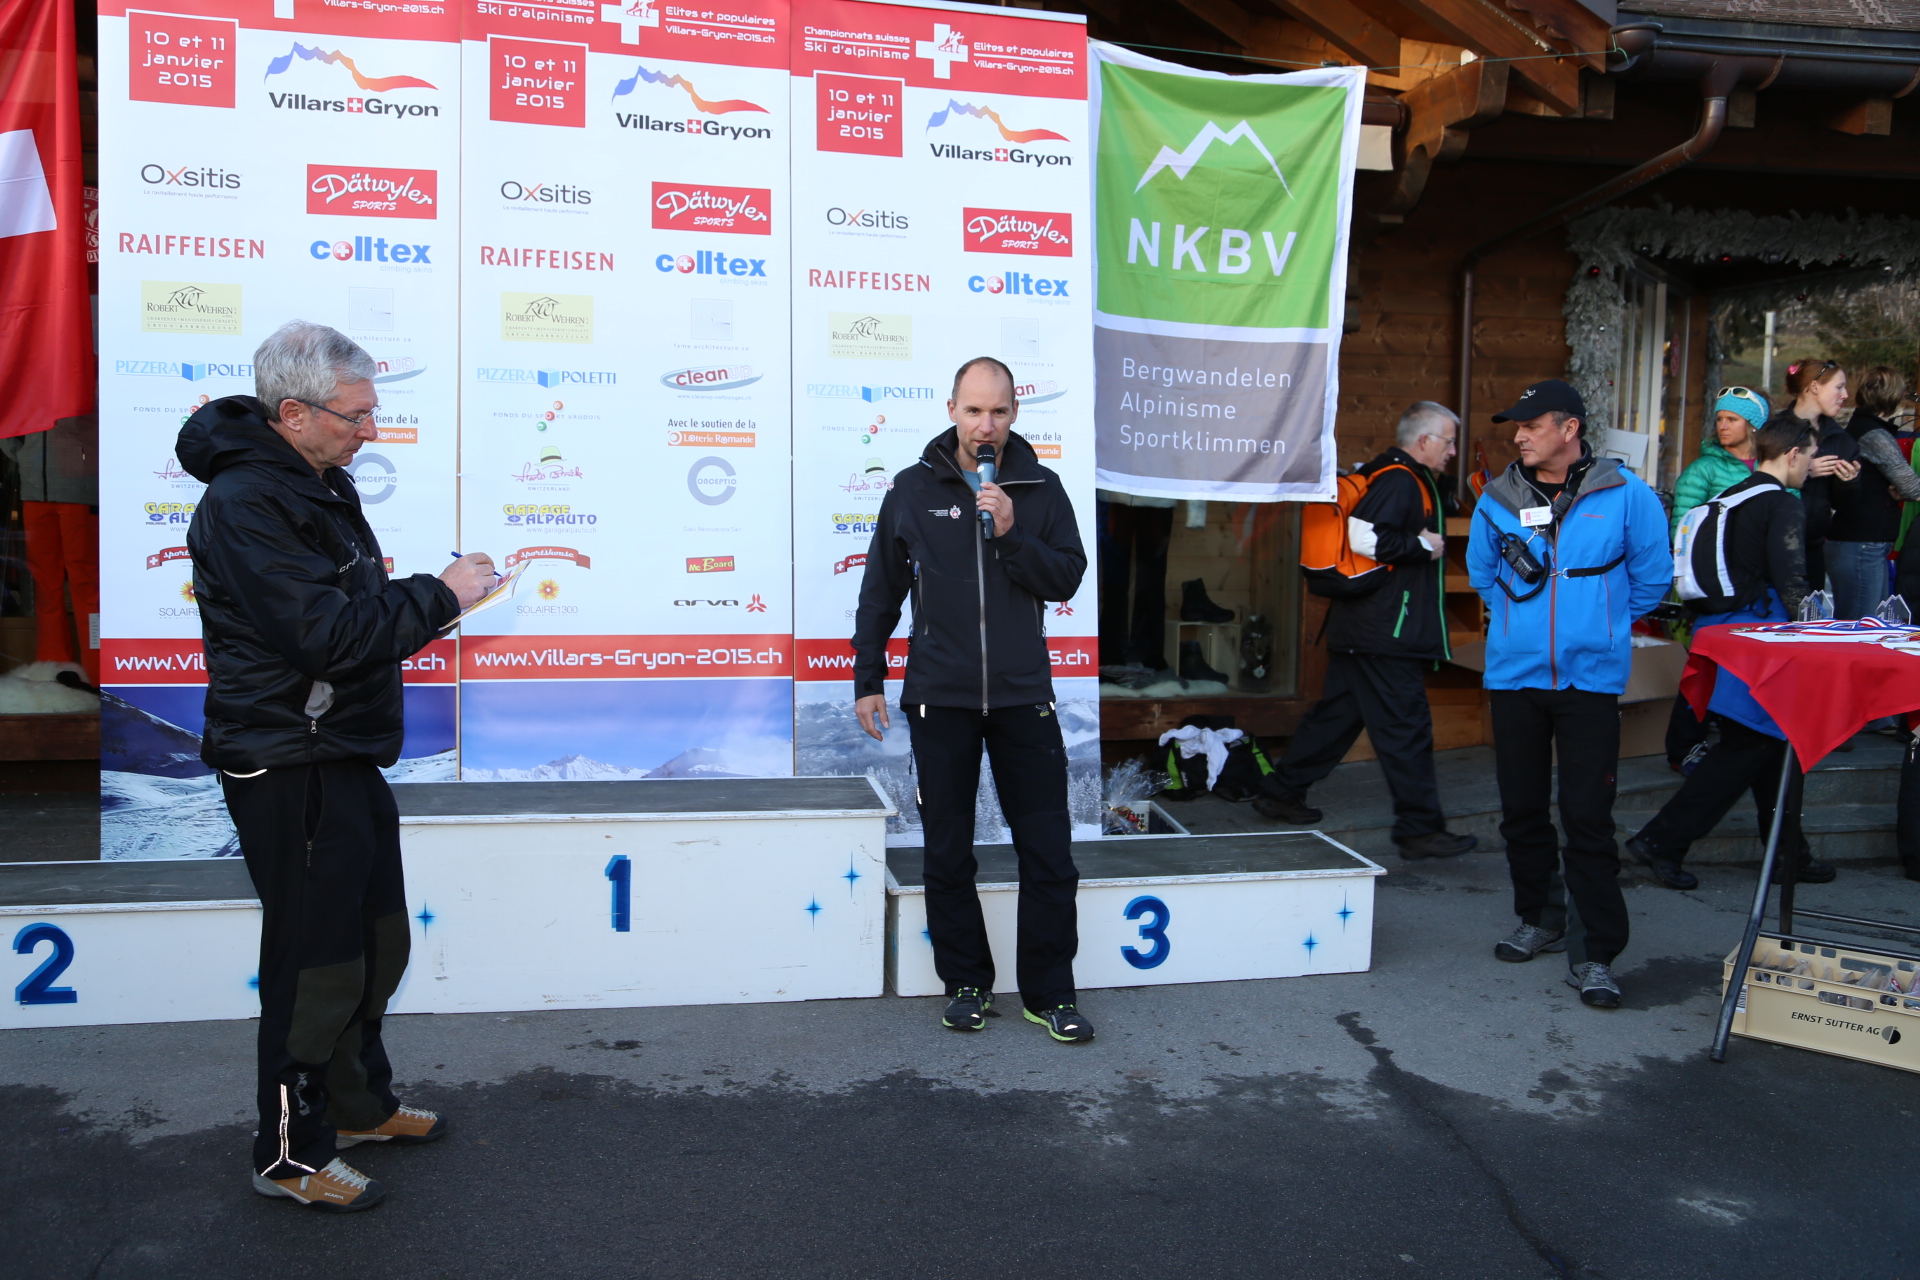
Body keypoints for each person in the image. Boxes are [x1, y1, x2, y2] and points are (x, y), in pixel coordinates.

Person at [180, 321, 495, 1212]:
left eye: (371, 412)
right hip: (288, 761)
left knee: (375, 940)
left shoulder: (318, 483)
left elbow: (347, 616)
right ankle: (288, 1154)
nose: (370, 430)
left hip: (339, 751)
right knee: (315, 963)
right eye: (356, 415)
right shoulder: (246, 502)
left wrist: (425, 599)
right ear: (294, 413)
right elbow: (325, 637)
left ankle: (357, 1106)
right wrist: (438, 597)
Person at [851, 356, 1092, 1043]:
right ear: (952, 409)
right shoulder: (911, 488)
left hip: (1023, 698)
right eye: (974, 410)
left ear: (1015, 413)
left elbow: (1066, 578)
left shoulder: (1041, 487)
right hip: (941, 698)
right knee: (948, 851)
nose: (986, 425)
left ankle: (1051, 993)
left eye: (999, 411)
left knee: (1048, 852)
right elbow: (880, 592)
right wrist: (868, 678)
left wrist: (1013, 532)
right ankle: (966, 983)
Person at [1466, 379, 1672, 1009]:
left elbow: (1652, 579)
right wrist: (1522, 626)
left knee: (1587, 818)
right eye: (1517, 427)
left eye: (1531, 425)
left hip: (1590, 681)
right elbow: (1483, 575)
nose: (1519, 436)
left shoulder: (1628, 495)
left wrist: (1598, 627)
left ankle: (1597, 954)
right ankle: (1540, 918)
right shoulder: (1497, 499)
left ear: (1569, 428)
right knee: (1522, 810)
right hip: (1515, 678)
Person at [1254, 402, 1478, 860]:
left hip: (1363, 627)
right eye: (1449, 441)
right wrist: (1424, 546)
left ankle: (1279, 792)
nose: (1453, 451)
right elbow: (1365, 536)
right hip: (1385, 633)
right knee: (1407, 728)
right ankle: (1419, 830)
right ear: (1424, 441)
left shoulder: (1389, 474)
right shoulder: (1401, 480)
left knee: (1336, 719)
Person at [1627, 417, 1840, 890]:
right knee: (1751, 744)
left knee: (1770, 741)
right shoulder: (1782, 504)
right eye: (1809, 456)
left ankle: (1789, 853)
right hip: (1760, 638)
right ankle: (1661, 840)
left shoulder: (1729, 497)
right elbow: (1793, 582)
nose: (1810, 466)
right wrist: (1820, 639)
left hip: (1721, 633)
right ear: (1792, 454)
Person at [1662, 386, 1769, 774]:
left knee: (1745, 667)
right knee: (1705, 663)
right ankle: (1685, 745)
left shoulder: (1770, 467)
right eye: (1720, 418)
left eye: (1732, 419)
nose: (1723, 425)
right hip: (1713, 586)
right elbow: (1682, 530)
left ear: (1753, 425)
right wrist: (1693, 582)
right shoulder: (1703, 470)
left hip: (1758, 588)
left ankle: (1735, 745)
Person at [1815, 365, 1920, 620]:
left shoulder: (1860, 427)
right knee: (1863, 628)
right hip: (1861, 543)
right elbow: (1911, 486)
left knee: (1872, 625)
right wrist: (1903, 490)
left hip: (1860, 542)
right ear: (1893, 396)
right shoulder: (1874, 435)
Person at [1784, 359, 1863, 605]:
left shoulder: (1842, 440)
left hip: (1814, 549)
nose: (1845, 395)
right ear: (1815, 387)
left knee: (1810, 619)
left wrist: (1847, 482)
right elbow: (1757, 480)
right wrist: (1804, 471)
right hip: (1775, 546)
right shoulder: (1776, 430)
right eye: (1839, 387)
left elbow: (1845, 505)